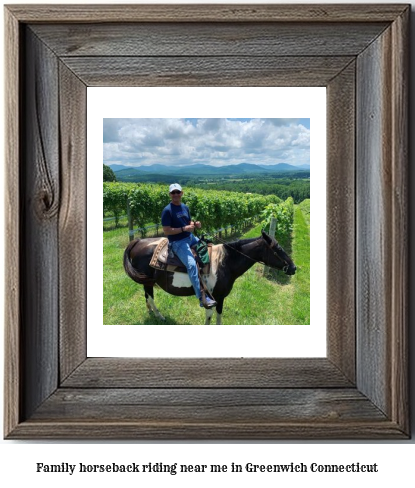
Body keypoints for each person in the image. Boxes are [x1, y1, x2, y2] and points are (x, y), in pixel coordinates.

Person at [161, 183, 217, 309]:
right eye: (173, 193)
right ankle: (202, 297)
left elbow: (188, 222)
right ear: (170, 195)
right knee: (191, 265)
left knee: (207, 249)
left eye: (177, 192)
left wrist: (195, 224)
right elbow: (166, 231)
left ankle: (210, 278)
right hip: (177, 242)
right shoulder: (167, 210)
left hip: (190, 237)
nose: (175, 195)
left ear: (182, 193)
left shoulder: (185, 207)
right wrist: (183, 228)